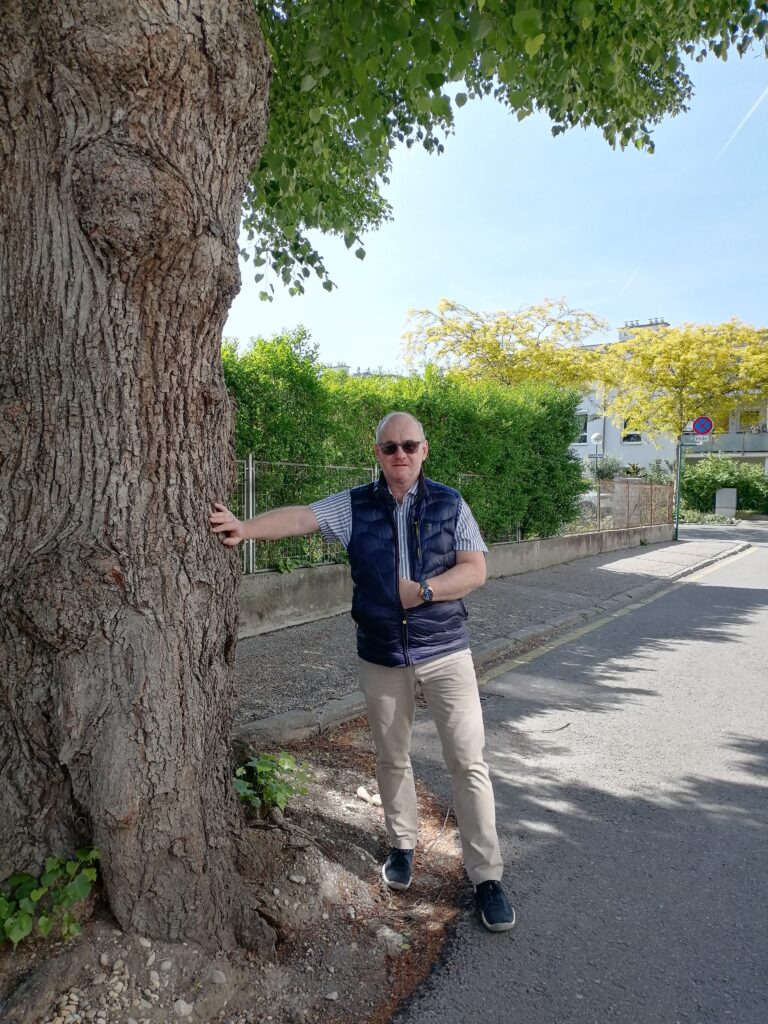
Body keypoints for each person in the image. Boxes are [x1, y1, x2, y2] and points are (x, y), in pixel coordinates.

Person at [210, 412, 515, 932]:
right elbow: (302, 518)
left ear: (425, 450)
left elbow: (475, 569)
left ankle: (486, 876)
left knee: (468, 762)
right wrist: (245, 528)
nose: (400, 455)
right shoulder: (354, 506)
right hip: (381, 654)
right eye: (390, 447)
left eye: (409, 446)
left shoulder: (451, 503)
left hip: (444, 651)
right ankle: (401, 845)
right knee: (392, 757)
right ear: (377, 453)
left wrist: (423, 591)